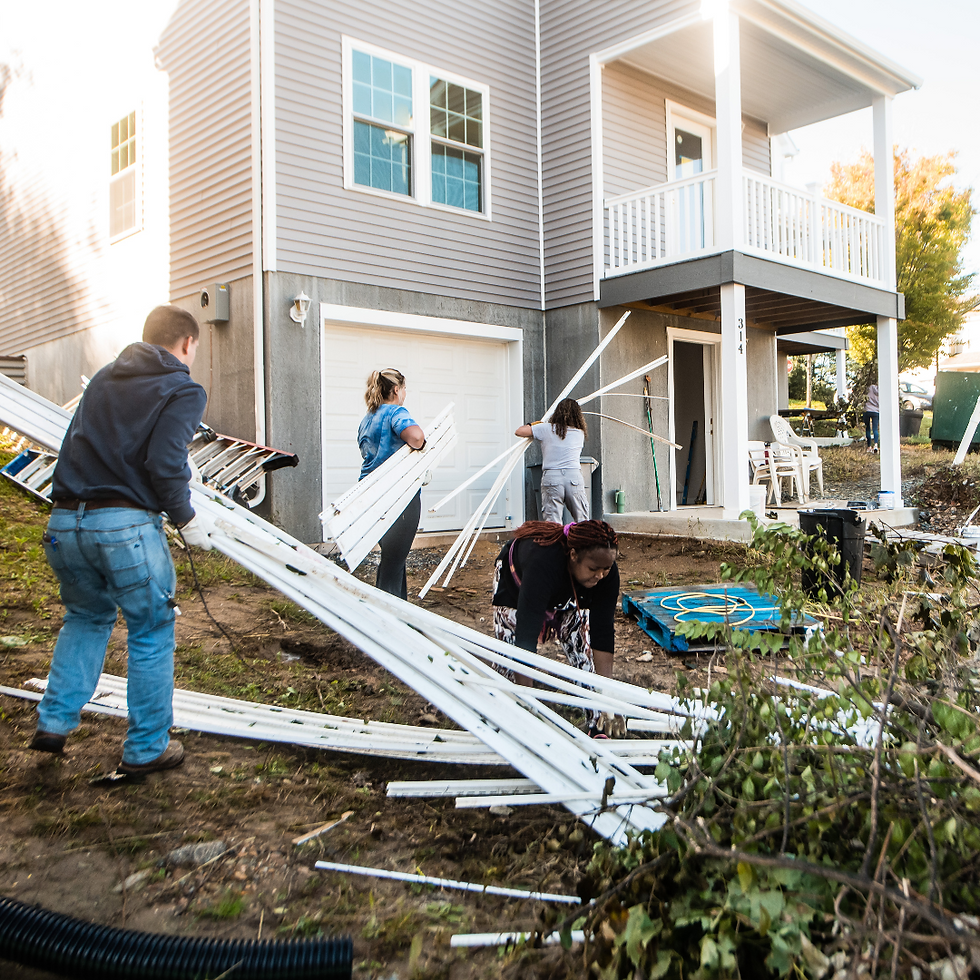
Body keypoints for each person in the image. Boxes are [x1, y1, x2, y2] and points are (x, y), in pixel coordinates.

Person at [30, 305, 211, 775]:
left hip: (65, 524)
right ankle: (146, 748)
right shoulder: (183, 388)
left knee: (85, 618)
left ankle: (53, 723)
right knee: (151, 629)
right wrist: (187, 518)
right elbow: (165, 462)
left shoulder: (106, 378)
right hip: (124, 529)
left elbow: (75, 445)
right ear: (187, 343)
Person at [491, 519, 623, 737]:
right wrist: (528, 703)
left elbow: (602, 632)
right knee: (508, 660)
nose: (600, 575)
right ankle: (512, 720)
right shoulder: (543, 563)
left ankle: (596, 723)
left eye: (606, 569)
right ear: (573, 556)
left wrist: (606, 696)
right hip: (517, 587)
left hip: (568, 592)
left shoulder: (604, 575)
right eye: (593, 569)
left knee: (582, 651)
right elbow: (525, 637)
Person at [358, 368, 425, 599]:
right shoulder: (395, 412)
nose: (405, 393)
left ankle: (399, 610)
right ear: (396, 389)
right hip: (399, 495)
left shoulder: (367, 419)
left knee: (393, 557)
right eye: (404, 389)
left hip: (371, 494)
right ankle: (385, 616)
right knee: (393, 561)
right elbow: (416, 437)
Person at [516, 398, 589, 523]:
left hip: (552, 477)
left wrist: (534, 425)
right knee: (582, 520)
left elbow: (519, 431)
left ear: (557, 412)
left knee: (552, 523)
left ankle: (555, 542)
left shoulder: (545, 428)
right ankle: (584, 541)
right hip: (573, 477)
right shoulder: (580, 433)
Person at [864, 383, 880, 453]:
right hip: (876, 411)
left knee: (867, 428)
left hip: (867, 410)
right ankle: (876, 445)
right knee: (875, 429)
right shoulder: (880, 390)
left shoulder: (868, 388)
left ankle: (869, 446)